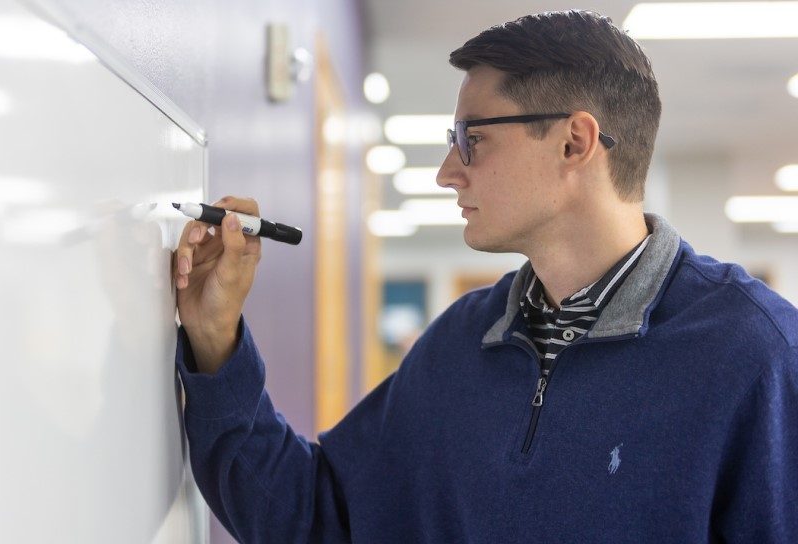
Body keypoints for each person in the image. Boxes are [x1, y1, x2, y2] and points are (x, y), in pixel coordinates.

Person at [172, 10, 798, 543]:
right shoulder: (461, 343)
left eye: (472, 138)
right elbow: (316, 517)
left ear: (574, 143)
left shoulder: (753, 352)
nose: (448, 171)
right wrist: (215, 335)